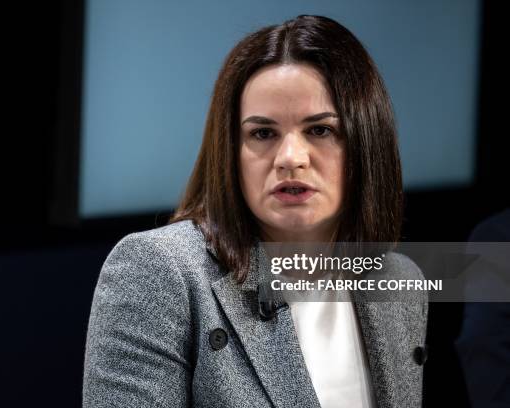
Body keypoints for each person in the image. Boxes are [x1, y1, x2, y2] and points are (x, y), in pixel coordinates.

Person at [83, 15, 428, 408]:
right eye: (263, 134)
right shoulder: (159, 271)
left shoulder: (401, 281)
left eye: (320, 130)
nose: (290, 159)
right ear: (231, 152)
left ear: (366, 144)